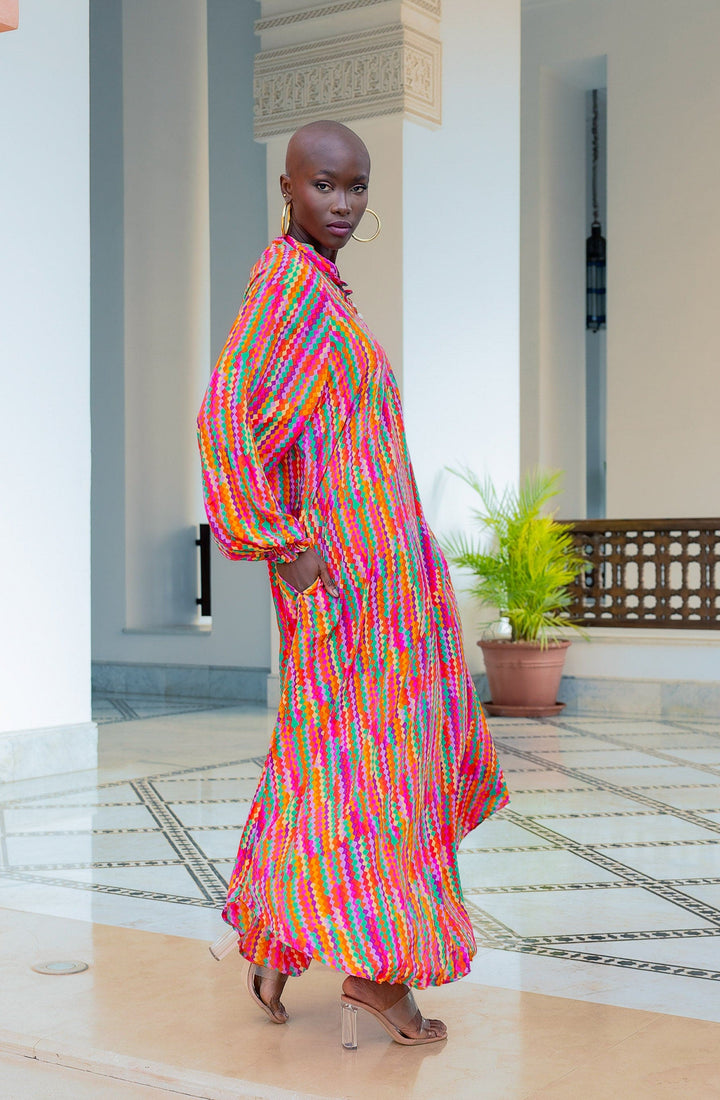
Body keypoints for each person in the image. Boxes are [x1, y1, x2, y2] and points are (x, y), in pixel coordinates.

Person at [197, 120, 509, 1047]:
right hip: (345, 586)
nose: (342, 203)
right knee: (376, 768)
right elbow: (225, 421)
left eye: (357, 186)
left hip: (385, 581)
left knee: (332, 759)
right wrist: (279, 542)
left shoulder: (323, 292)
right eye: (324, 185)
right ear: (288, 188)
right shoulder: (287, 291)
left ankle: (276, 940)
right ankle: (378, 975)